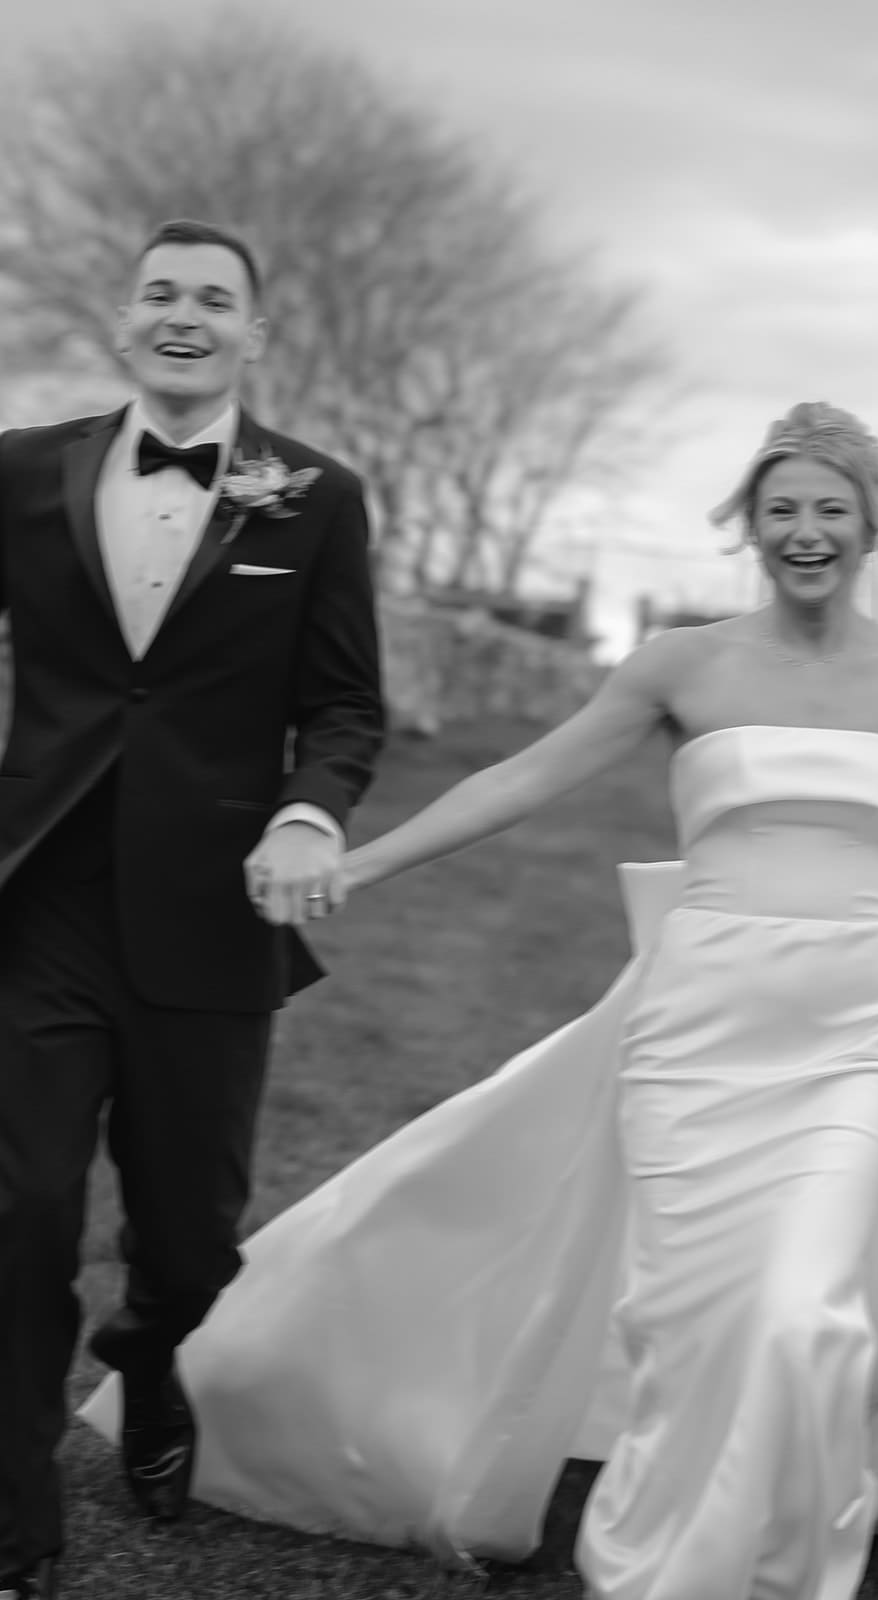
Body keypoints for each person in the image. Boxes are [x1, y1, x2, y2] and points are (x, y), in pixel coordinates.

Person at [83, 403, 878, 1600]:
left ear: (872, 526)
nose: (805, 532)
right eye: (782, 509)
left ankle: (781, 1564)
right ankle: (656, 1557)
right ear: (747, 526)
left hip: (850, 1046)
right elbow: (522, 779)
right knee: (692, 1319)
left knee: (809, 1316)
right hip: (698, 1031)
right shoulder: (681, 665)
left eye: (830, 510)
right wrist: (360, 859)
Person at [0, 218, 385, 1599]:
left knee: (190, 1235)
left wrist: (305, 809)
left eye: (212, 300)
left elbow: (345, 705)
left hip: (213, 918)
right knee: (23, 1205)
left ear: (252, 336)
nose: (184, 314)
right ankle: (15, 1500)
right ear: (122, 325)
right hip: (38, 897)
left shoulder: (317, 496)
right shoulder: (23, 472)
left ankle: (153, 1355)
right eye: (159, 293)